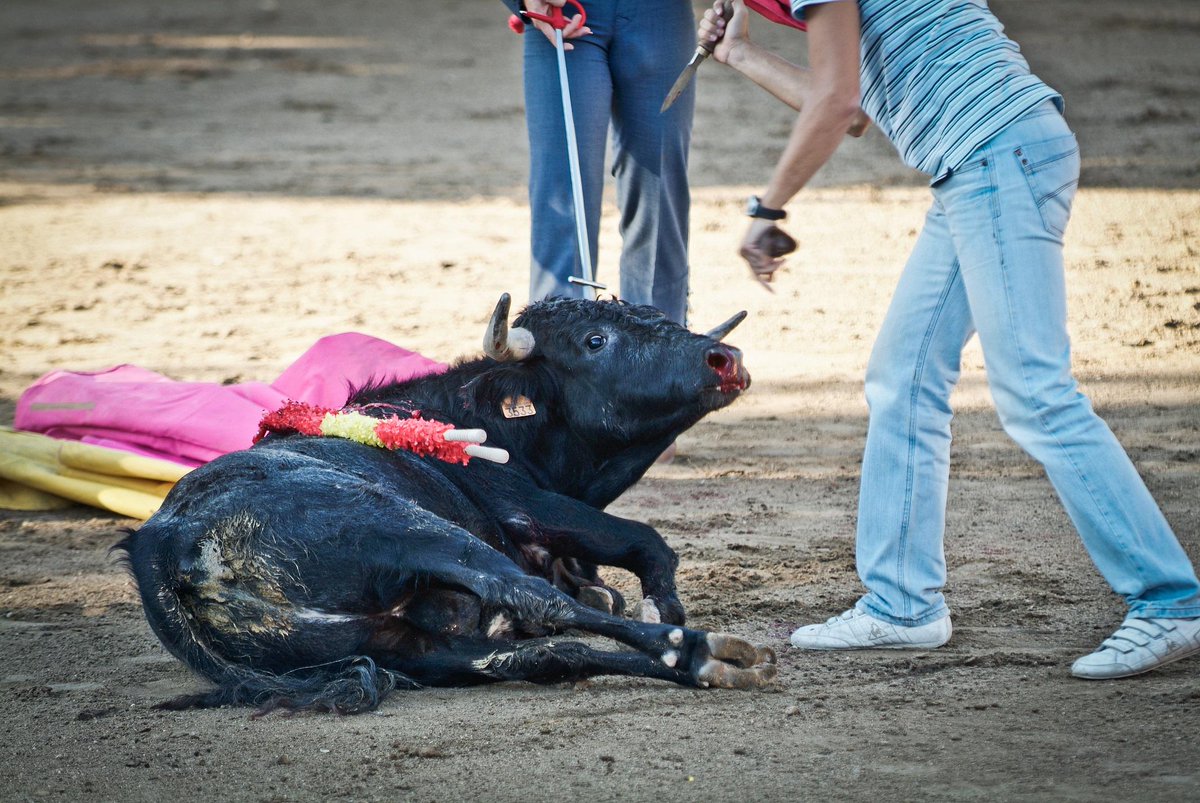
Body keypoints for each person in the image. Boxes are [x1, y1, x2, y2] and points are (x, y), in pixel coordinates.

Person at [699, 0, 1200, 679]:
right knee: (902, 378)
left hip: (996, 159)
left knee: (1036, 393)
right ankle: (902, 603)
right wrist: (739, 53)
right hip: (983, 165)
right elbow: (854, 109)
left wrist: (767, 207)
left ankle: (1170, 601)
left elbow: (838, 104)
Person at [503, 0, 696, 326]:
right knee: (563, 186)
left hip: (661, 12)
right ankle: (556, 341)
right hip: (560, 10)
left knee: (660, 185)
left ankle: (662, 337)